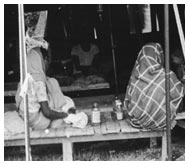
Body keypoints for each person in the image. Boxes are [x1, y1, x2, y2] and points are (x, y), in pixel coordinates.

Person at [15, 35, 76, 130]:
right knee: (63, 112)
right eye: (47, 59)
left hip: (25, 118)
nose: (48, 62)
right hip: (37, 122)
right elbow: (47, 112)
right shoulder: (39, 82)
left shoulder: (25, 78)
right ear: (41, 62)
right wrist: (64, 115)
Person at [124, 42, 184, 130]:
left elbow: (128, 101)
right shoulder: (167, 75)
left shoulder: (136, 76)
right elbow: (180, 92)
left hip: (136, 121)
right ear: (159, 56)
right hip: (160, 121)